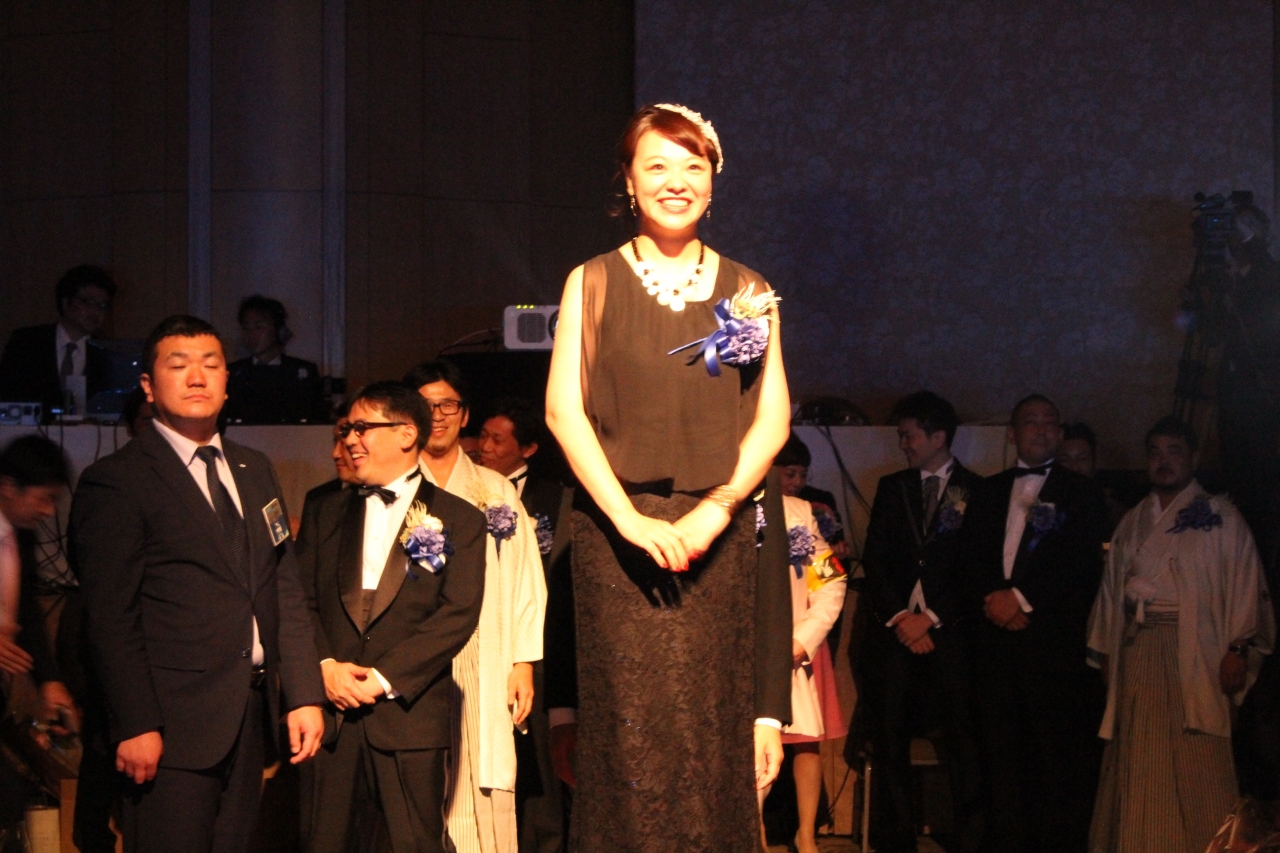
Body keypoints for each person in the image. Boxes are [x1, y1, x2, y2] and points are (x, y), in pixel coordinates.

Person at [544, 103, 793, 852]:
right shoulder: (591, 281)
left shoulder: (750, 288)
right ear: (628, 180)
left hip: (717, 541)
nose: (675, 181)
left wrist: (717, 509)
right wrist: (628, 520)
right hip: (618, 541)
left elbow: (772, 420)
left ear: (714, 181)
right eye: (656, 165)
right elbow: (563, 411)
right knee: (628, 744)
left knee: (712, 741)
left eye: (693, 166)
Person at [70, 315, 326, 853]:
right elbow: (110, 617)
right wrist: (134, 722)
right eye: (178, 365)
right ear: (148, 385)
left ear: (227, 381)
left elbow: (282, 586)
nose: (196, 377)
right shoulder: (118, 480)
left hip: (248, 717)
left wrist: (303, 694)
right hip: (168, 726)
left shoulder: (254, 467)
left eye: (210, 365)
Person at [296, 380, 486, 853]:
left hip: (409, 717)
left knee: (413, 843)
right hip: (331, 715)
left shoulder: (460, 518)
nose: (350, 440)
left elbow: (457, 613)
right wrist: (325, 667)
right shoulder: (322, 509)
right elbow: (301, 602)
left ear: (406, 433)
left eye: (363, 428)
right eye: (347, 429)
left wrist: (383, 679)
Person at [1087, 417, 1275, 853]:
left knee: (1198, 753)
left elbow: (1246, 584)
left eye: (1174, 451)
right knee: (1138, 751)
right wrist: (1108, 652)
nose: (1163, 461)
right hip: (1137, 647)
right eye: (1155, 452)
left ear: (1193, 458)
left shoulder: (1222, 518)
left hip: (1198, 653)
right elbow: (1111, 592)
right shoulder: (1133, 521)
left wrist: (1238, 648)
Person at [403, 362, 547, 853]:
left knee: (481, 776)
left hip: (486, 650)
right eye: (426, 406)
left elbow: (526, 576)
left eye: (448, 405)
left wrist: (523, 661)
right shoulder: (398, 487)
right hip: (416, 652)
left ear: (464, 415)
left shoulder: (496, 490)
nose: (437, 415)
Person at [960, 394, 1107, 853]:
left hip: (1051, 648)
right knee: (999, 757)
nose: (1041, 429)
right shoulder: (987, 490)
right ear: (1012, 433)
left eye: (1049, 422)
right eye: (1030, 421)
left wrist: (1021, 599)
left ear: (1059, 433)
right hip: (994, 646)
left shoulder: (1082, 493)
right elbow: (969, 559)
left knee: (1052, 760)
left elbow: (1081, 566)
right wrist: (995, 602)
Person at [860, 391, 985, 853]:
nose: (903, 445)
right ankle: (897, 839)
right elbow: (876, 557)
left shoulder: (976, 490)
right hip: (897, 633)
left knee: (963, 739)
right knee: (890, 736)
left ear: (938, 436)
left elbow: (974, 567)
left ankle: (968, 838)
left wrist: (931, 618)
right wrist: (901, 618)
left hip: (950, 634)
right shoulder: (893, 487)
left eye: (909, 435)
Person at [477, 396, 572, 853]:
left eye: (498, 440)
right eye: (483, 436)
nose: (485, 446)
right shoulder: (468, 488)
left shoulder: (554, 497)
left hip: (540, 640)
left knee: (538, 753)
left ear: (528, 449)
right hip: (484, 634)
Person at [758, 491, 846, 853]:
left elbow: (830, 579)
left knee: (792, 743)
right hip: (728, 657)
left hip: (786, 651)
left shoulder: (796, 512)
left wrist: (803, 638)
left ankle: (804, 835)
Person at [0, 436, 77, 830]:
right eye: (44, 499)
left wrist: (49, 680)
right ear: (9, 487)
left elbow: (28, 612)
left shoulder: (21, 534)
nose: (49, 511)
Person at [0, 264, 115, 421]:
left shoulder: (106, 352)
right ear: (65, 302)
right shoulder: (27, 342)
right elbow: (7, 393)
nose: (96, 311)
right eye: (88, 302)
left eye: (102, 305)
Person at [223, 295, 327, 424]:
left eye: (258, 327)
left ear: (278, 330)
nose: (251, 335)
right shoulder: (233, 372)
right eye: (246, 328)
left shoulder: (302, 372)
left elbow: (317, 418)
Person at [774, 433, 851, 561]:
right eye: (790, 475)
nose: (798, 482)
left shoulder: (818, 501)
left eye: (803, 475)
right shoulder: (758, 504)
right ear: (771, 472)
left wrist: (835, 554)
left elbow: (834, 553)